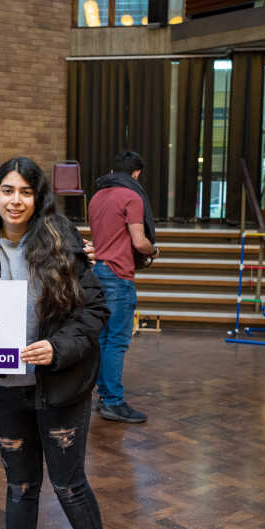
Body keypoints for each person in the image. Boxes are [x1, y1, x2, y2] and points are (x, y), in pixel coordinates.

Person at [0, 157, 108, 529]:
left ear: (38, 199)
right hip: (6, 392)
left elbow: (95, 309)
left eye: (26, 192)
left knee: (69, 486)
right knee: (20, 488)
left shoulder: (61, 241)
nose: (16, 200)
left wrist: (57, 348)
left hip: (59, 389)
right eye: (7, 191)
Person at [89, 150, 158, 424]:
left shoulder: (96, 196)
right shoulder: (131, 196)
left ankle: (105, 397)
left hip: (98, 273)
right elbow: (139, 242)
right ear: (137, 173)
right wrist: (155, 250)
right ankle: (114, 402)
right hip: (118, 276)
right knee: (116, 341)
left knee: (104, 340)